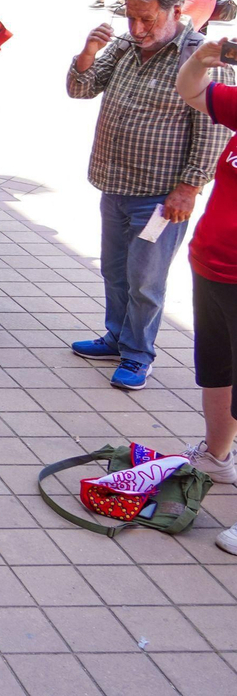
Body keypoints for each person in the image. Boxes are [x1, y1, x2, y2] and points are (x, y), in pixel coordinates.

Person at [67, 0, 230, 389]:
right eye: (132, 18)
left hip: (160, 194)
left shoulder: (199, 55)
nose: (137, 29)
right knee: (114, 270)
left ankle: (139, 354)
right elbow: (81, 88)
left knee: (146, 279)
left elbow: (214, 131)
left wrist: (188, 187)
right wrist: (88, 52)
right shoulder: (125, 43)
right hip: (114, 182)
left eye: (147, 20)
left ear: (176, 11)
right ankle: (117, 336)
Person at [174, 36, 237, 552]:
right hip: (212, 266)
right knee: (216, 368)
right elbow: (194, 93)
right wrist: (201, 59)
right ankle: (218, 457)